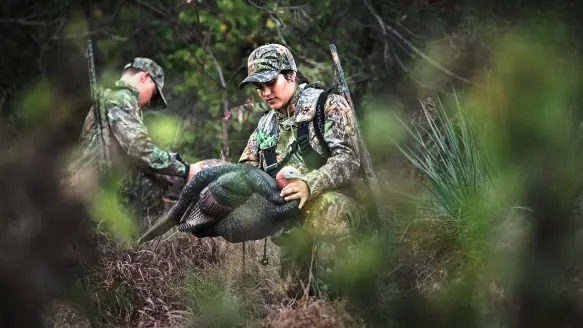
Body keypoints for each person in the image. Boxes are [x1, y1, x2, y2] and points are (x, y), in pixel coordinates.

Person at [237, 44, 369, 298]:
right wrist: (266, 183)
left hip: (347, 209)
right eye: (259, 88)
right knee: (293, 296)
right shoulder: (266, 125)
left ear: (291, 76)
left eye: (270, 83)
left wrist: (308, 184)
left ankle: (340, 302)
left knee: (327, 206)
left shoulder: (328, 105)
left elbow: (348, 160)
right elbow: (247, 167)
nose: (265, 93)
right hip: (294, 218)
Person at [67, 57, 197, 208]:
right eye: (153, 94)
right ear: (145, 77)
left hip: (86, 189)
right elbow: (140, 148)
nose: (149, 103)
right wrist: (185, 170)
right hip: (83, 193)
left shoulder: (112, 97)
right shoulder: (121, 98)